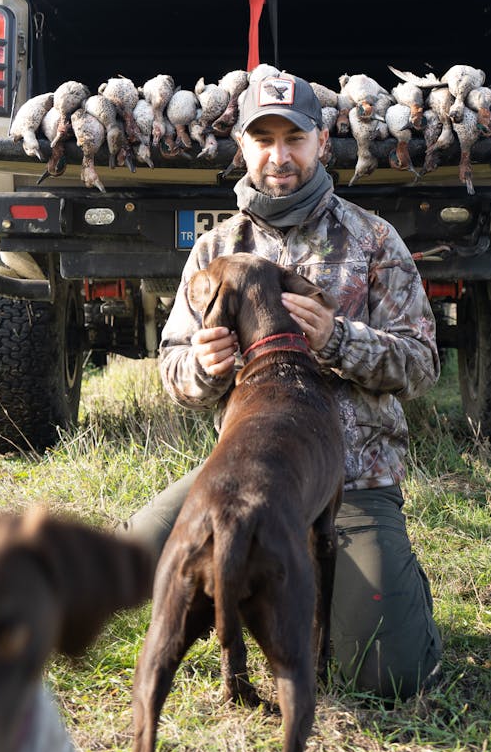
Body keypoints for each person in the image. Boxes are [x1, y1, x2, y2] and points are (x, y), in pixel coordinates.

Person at [126, 71, 442, 702]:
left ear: (321, 142)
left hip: (350, 483)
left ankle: (393, 595)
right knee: (140, 552)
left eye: (293, 138)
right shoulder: (217, 247)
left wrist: (339, 339)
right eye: (262, 139)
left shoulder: (372, 239)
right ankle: (260, 596)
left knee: (387, 674)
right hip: (247, 473)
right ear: (241, 147)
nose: (279, 155)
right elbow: (172, 369)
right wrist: (205, 367)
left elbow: (423, 364)